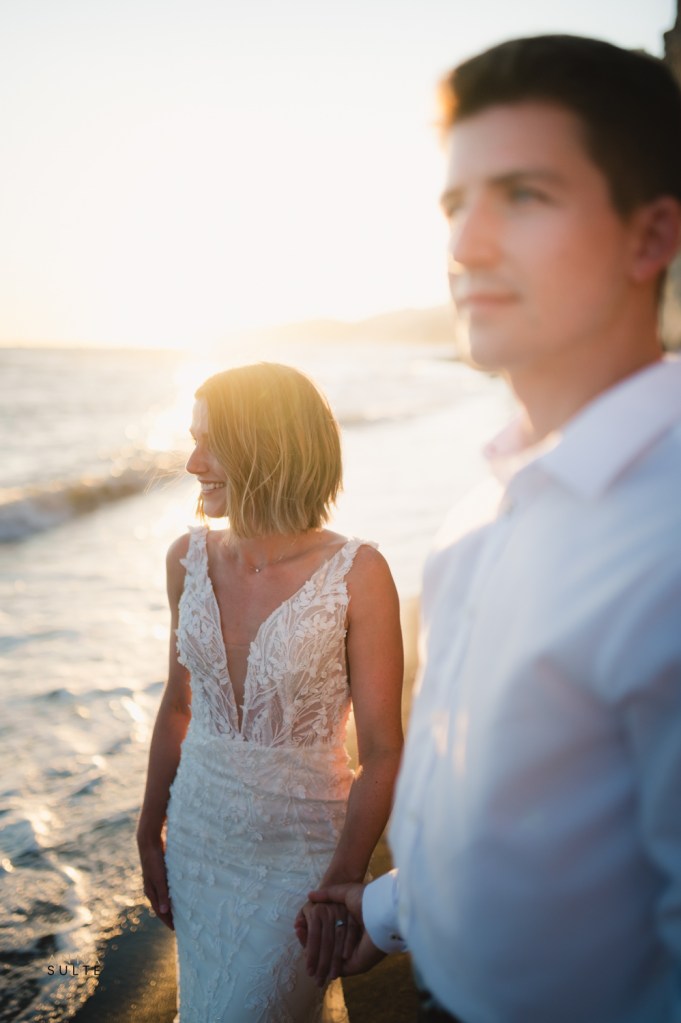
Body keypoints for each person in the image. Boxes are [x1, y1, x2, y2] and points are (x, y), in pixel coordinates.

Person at [305, 34, 681, 1023]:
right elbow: (503, 808)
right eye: (454, 204)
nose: (465, 246)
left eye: (523, 195)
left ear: (650, 239)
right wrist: (382, 908)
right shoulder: (478, 511)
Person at [136, 362, 404, 1022]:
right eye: (191, 438)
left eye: (212, 440)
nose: (194, 460)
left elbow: (384, 752)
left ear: (269, 443)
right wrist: (148, 828)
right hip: (198, 838)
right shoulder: (184, 557)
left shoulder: (358, 573)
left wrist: (341, 878)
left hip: (301, 858)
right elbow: (179, 704)